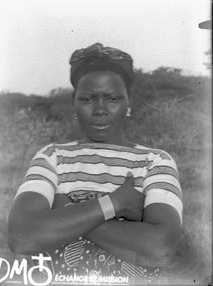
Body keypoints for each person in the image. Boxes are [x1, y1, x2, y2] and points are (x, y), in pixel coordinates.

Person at [8, 43, 183, 285]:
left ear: (128, 101)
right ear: (75, 103)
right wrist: (115, 203)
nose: (100, 110)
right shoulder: (52, 157)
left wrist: (67, 212)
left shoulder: (155, 161)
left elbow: (160, 249)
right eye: (88, 99)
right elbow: (22, 237)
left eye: (112, 98)